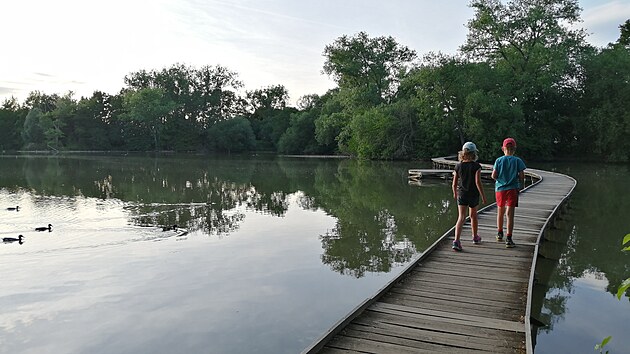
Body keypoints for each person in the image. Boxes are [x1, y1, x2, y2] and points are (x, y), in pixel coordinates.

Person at [452, 141, 487, 251]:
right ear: (474, 154)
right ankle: (475, 237)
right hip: (473, 195)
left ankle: (456, 241)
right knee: (473, 216)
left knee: (461, 217)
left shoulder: (458, 166)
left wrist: (455, 193)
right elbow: (478, 182)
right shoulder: (476, 166)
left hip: (462, 194)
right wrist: (483, 196)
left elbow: (454, 183)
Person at [491, 137, 526, 248]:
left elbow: (494, 175)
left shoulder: (498, 160)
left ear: (503, 148)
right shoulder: (517, 161)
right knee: (510, 215)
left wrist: (500, 179)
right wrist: (518, 183)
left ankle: (499, 233)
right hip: (512, 189)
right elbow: (521, 176)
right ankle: (509, 239)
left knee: (500, 212)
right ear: (514, 149)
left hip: (500, 189)